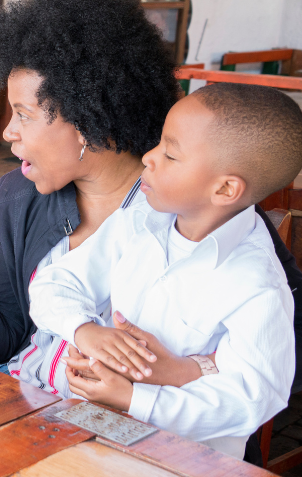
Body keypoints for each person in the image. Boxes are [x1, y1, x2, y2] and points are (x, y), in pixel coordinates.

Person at [0, 0, 302, 379]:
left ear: (85, 120)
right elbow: (4, 341)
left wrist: (184, 371)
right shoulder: (19, 198)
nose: (8, 133)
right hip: (39, 407)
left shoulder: (200, 204)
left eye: (24, 114)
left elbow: (284, 346)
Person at [28, 83, 302, 458]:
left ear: (224, 189)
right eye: (158, 143)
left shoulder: (256, 283)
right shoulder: (141, 217)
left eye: (170, 155)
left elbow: (251, 397)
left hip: (181, 456)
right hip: (95, 429)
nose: (148, 158)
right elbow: (55, 283)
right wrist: (86, 331)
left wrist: (135, 398)